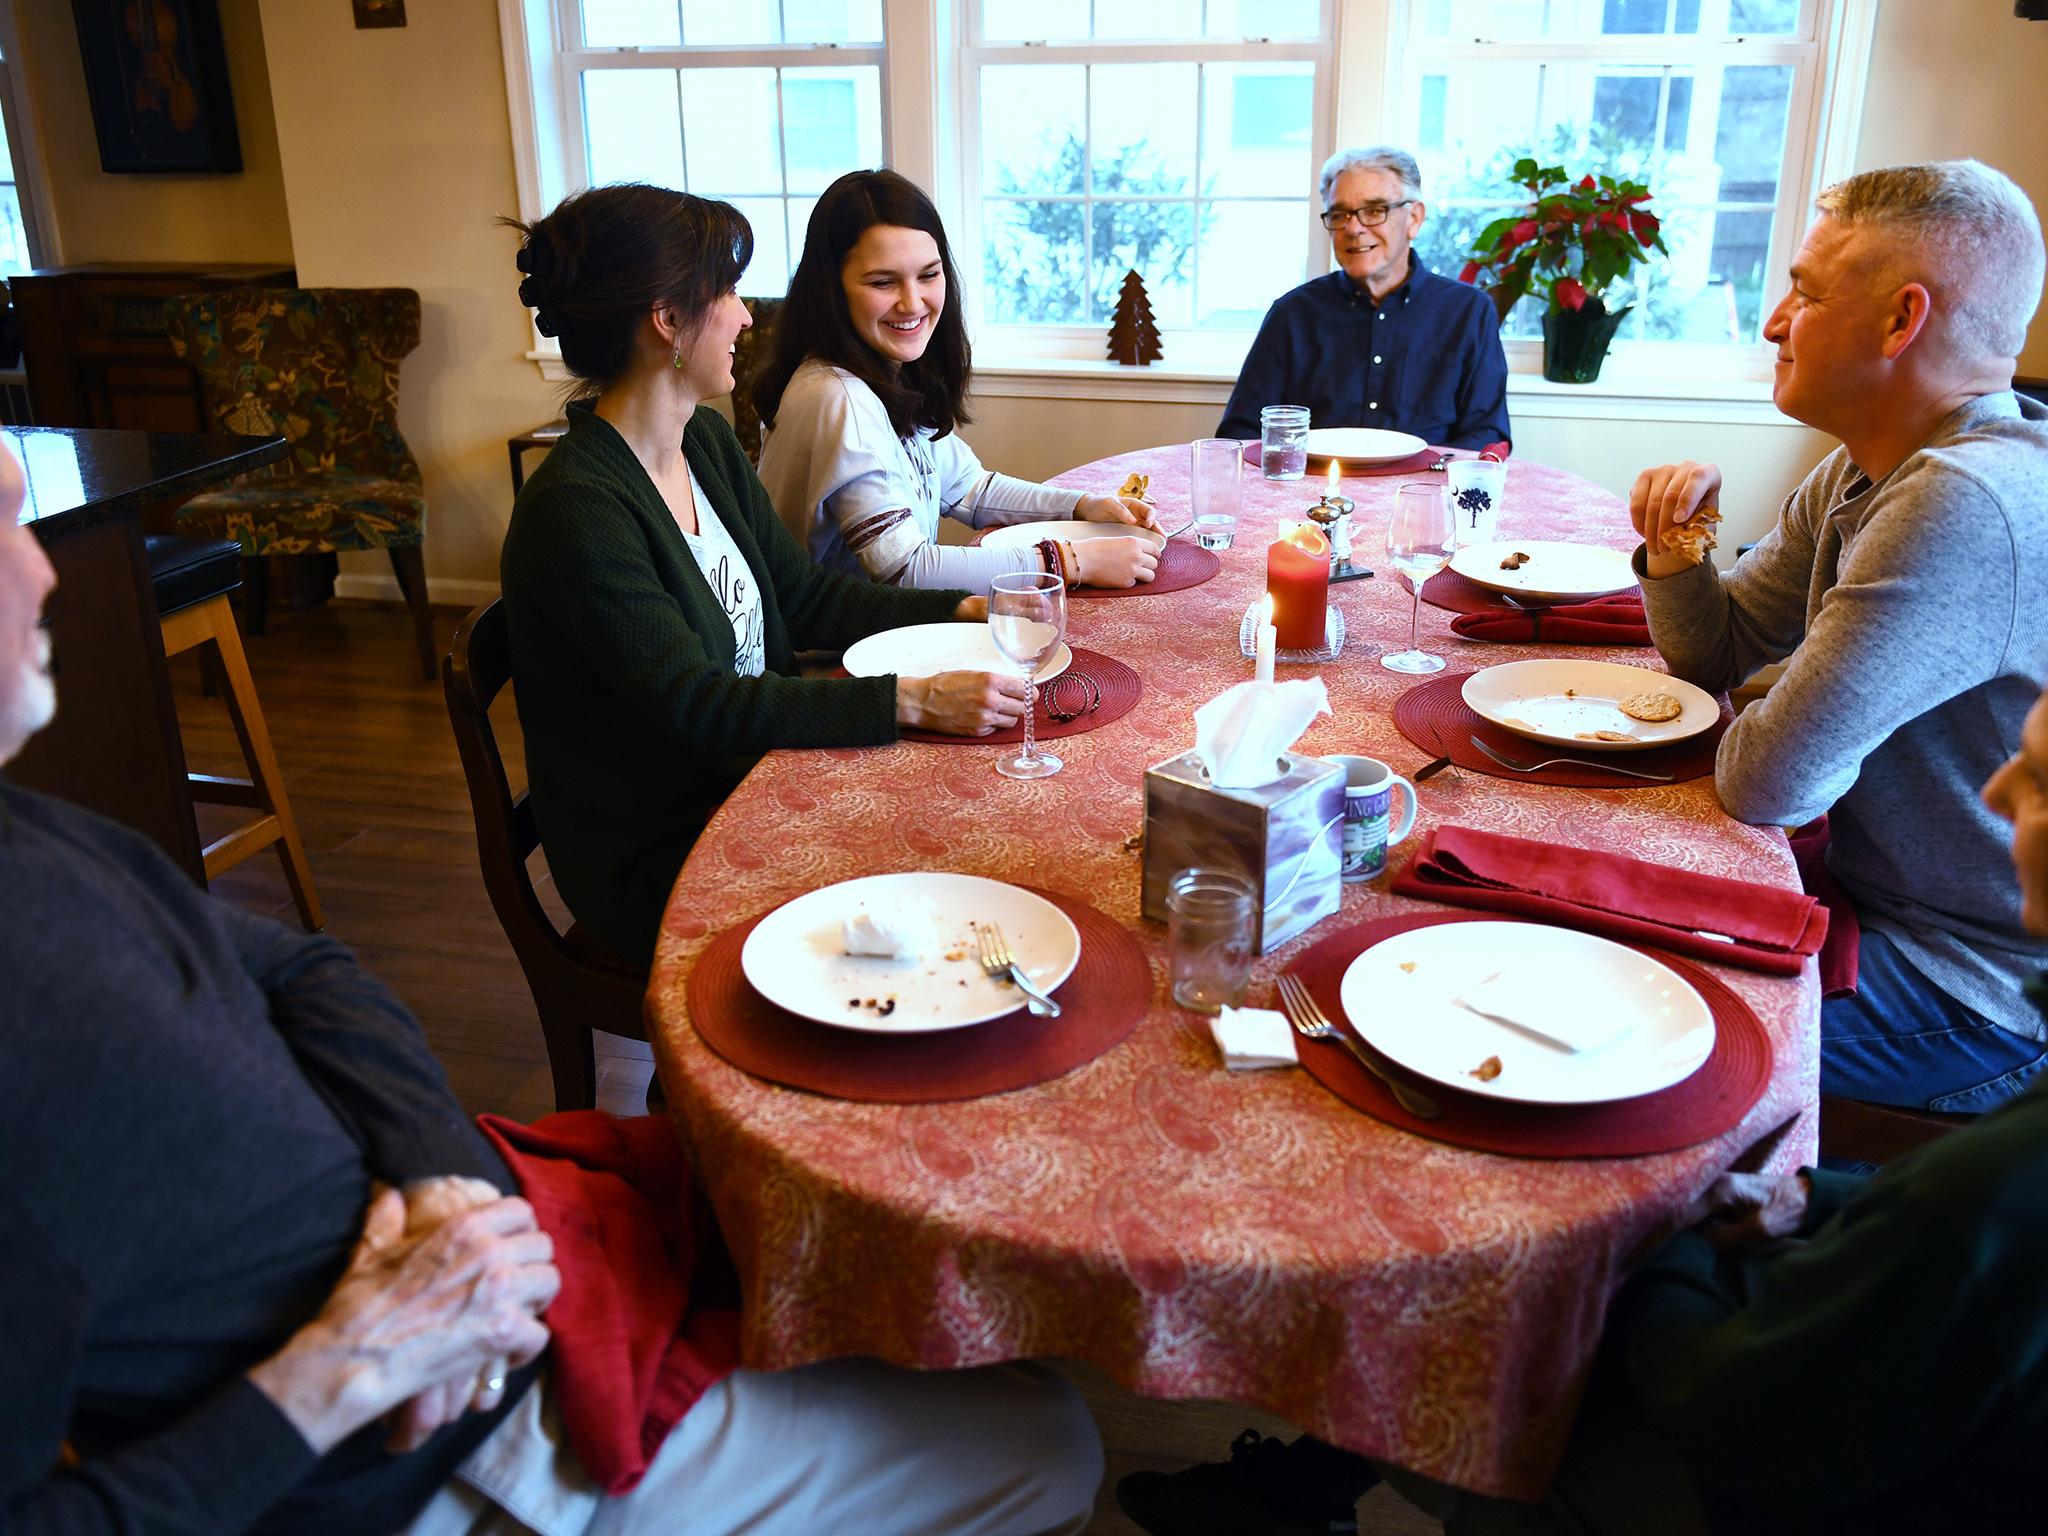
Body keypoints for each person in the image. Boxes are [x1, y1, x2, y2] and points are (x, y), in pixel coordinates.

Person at [0, 436, 1104, 1535]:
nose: (47, 569)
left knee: (852, 1237)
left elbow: (306, 967)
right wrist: (346, 1366)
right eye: (5, 529)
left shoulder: (34, 835)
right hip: (413, 1442)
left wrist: (441, 1183)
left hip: (487, 1239)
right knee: (1047, 1439)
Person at [1115, 681, 2048, 1536]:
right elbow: (1941, 1252)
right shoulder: (1984, 1192)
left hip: (1760, 1489)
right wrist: (1819, 1200)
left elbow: (1736, 1423)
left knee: (1478, 1302)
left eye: (2039, 779)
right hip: (1868, 1386)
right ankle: (1297, 1497)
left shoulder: (1984, 1192)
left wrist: (1664, 1241)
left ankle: (1343, 1497)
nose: (1997, 790)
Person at [501, 183, 1037, 970]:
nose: (747, 316)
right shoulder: (578, 509)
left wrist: (964, 611)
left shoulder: (704, 447)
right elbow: (698, 705)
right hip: (663, 848)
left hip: (746, 781)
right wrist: (913, 699)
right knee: (957, 880)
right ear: (668, 321)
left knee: (984, 835)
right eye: (724, 292)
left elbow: (805, 596)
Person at [1629, 159, 2048, 1113]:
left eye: (1805, 295)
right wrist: (1677, 551)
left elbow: (1766, 782)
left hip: (1970, 988)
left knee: (1635, 1035)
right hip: (1875, 905)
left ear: (1902, 321)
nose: (1774, 323)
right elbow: (1719, 653)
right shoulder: (1870, 465)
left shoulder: (1965, 497)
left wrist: (1778, 704)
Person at [754, 168, 1161, 593]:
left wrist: (1084, 506)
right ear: (831, 290)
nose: (913, 302)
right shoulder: (836, 397)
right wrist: (1072, 561)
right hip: (827, 656)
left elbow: (971, 488)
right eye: (882, 282)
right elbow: (904, 569)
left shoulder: (886, 371)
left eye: (929, 275)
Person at [1216, 146, 1510, 449]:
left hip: (1426, 491)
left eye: (1374, 210)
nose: (1354, 228)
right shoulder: (1292, 313)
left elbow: (1486, 435)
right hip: (1311, 492)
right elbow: (1241, 433)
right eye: (1340, 214)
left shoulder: (1468, 311)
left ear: (1414, 219)